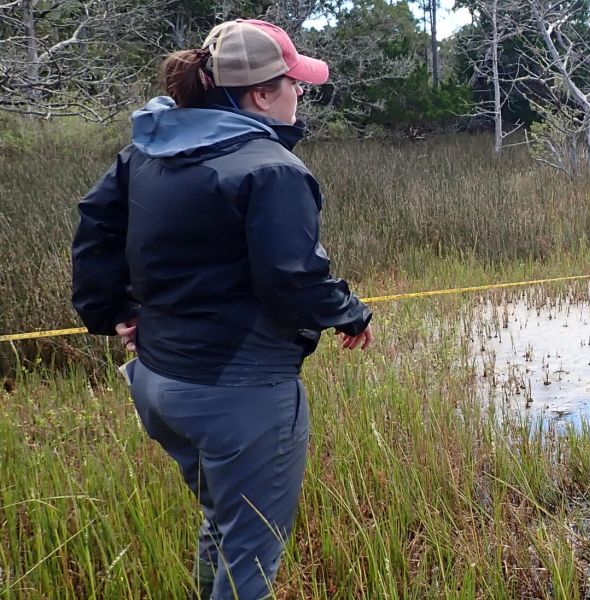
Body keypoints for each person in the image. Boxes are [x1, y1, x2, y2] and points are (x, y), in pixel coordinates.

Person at [70, 19, 372, 600]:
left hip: (158, 385)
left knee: (223, 522)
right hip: (239, 395)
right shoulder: (272, 168)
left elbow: (95, 229)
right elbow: (293, 279)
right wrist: (350, 312)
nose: (299, 93)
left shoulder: (146, 148)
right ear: (262, 94)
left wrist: (111, 310)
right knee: (250, 558)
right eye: (293, 83)